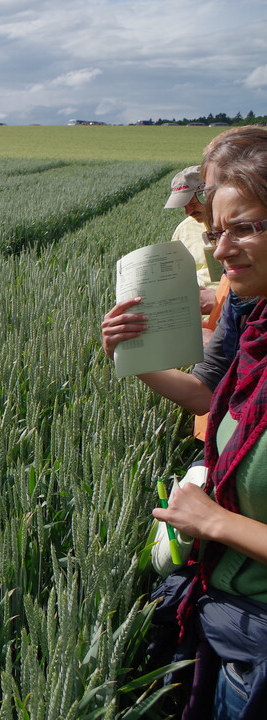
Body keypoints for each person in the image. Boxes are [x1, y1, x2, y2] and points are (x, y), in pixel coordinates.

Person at [143, 129, 267, 717]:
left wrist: (215, 520)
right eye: (217, 232)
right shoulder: (256, 339)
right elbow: (207, 392)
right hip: (234, 622)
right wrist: (137, 359)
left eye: (244, 227)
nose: (220, 249)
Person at [166, 165, 220, 317]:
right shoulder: (183, 230)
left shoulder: (238, 227)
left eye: (193, 204)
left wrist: (219, 300)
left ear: (208, 194)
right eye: (184, 206)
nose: (188, 212)